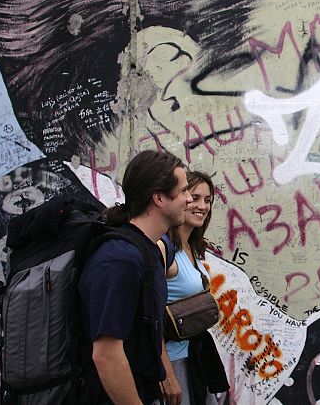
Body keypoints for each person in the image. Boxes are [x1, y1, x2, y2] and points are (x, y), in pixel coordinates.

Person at [78, 149, 193, 405]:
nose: (190, 199)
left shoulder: (148, 249)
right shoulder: (119, 258)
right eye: (184, 191)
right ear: (159, 198)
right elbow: (106, 354)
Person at [159, 171, 228, 405]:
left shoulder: (192, 248)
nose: (202, 206)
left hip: (194, 358)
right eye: (195, 197)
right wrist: (166, 374)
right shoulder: (165, 250)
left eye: (208, 200)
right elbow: (146, 315)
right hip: (173, 363)